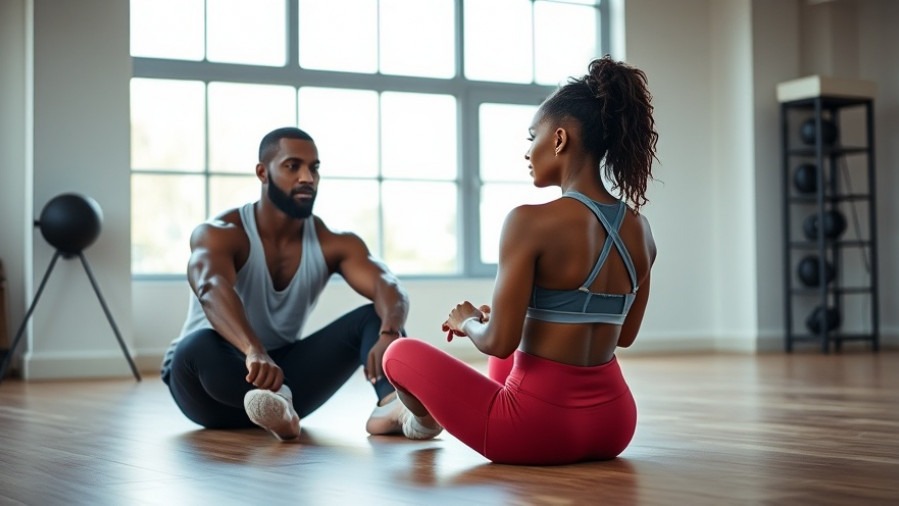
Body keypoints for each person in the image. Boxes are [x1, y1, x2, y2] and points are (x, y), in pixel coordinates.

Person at [380, 55, 659, 465]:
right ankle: (414, 415)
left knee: (398, 355)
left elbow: (498, 340)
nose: (528, 151)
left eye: (533, 137)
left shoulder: (528, 221)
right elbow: (624, 335)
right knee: (507, 353)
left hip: (537, 429)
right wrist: (522, 316)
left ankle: (420, 421)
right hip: (615, 424)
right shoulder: (641, 228)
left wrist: (468, 322)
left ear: (560, 139)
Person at [161, 126, 410, 441]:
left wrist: (391, 332)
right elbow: (210, 288)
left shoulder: (332, 242)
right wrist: (253, 350)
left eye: (314, 168)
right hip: (210, 388)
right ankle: (277, 403)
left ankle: (390, 406)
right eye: (293, 166)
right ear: (263, 173)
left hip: (284, 382)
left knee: (376, 317)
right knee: (196, 346)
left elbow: (388, 284)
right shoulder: (221, 232)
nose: (307, 177)